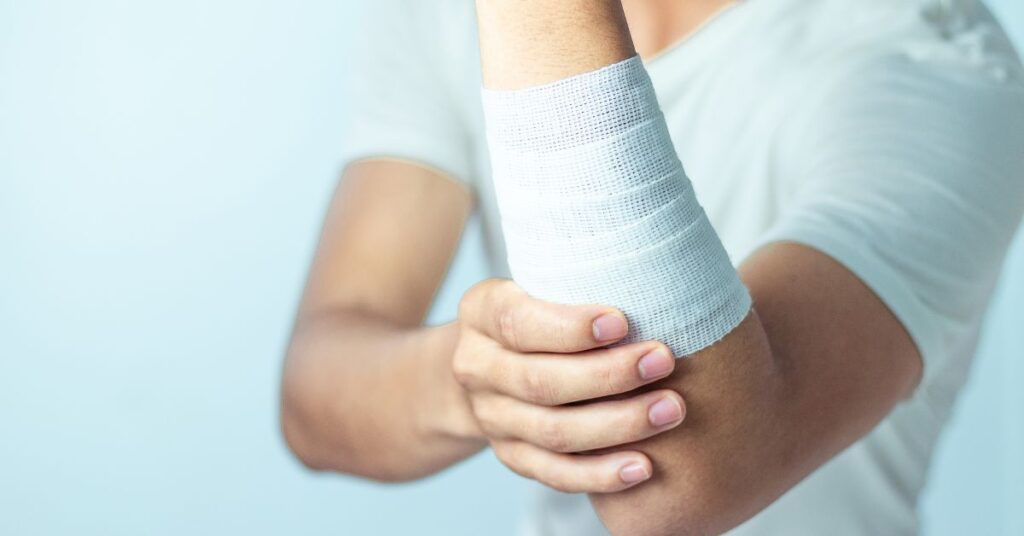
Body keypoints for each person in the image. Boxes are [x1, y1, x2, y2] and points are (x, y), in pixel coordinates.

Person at [279, 0, 1024, 534]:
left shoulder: (939, 66)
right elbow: (313, 398)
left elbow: (676, 486)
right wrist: (490, 381)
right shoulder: (444, 15)